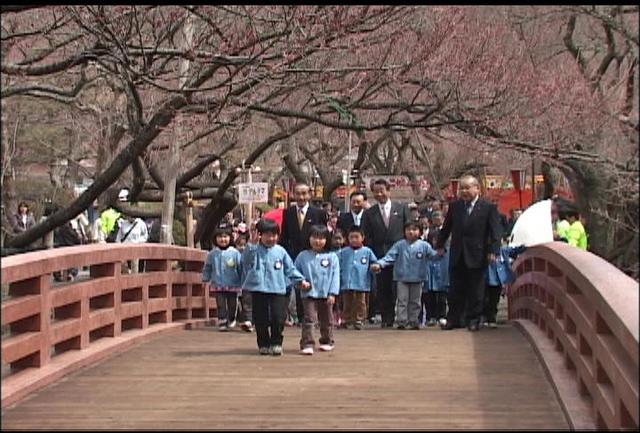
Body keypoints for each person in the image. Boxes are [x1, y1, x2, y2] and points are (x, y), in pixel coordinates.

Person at [436, 174, 502, 332]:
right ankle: (454, 319)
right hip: (457, 252)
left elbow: (495, 232)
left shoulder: (488, 207)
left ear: (477, 188)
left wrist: (493, 251)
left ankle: (474, 319)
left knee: (476, 289)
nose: (464, 191)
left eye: (467, 188)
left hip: (477, 254)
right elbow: (446, 228)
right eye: (461, 188)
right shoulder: (455, 206)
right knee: (454, 289)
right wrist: (440, 244)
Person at [243, 219, 309, 356]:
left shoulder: (280, 251)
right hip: (258, 288)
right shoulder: (254, 249)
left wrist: (300, 280)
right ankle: (263, 343)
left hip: (278, 288)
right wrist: (251, 245)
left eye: (274, 235)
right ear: (260, 235)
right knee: (260, 318)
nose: (271, 238)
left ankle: (276, 342)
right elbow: (245, 262)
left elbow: (290, 268)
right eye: (267, 235)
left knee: (278, 317)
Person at [361, 178, 411, 328]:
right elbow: (366, 235)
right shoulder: (369, 213)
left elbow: (408, 228)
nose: (379, 194)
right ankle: (386, 317)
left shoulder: (401, 209)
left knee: (399, 287)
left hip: (399, 253)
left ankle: (402, 316)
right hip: (379, 254)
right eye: (375, 192)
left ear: (389, 191)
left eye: (382, 190)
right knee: (383, 287)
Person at [371, 221, 438, 330]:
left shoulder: (424, 245)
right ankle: (402, 320)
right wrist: (379, 264)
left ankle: (413, 320)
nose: (411, 232)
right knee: (402, 300)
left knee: (415, 301)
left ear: (420, 232)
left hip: (418, 278)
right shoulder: (399, 245)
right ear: (404, 232)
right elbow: (389, 257)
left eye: (415, 229)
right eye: (408, 230)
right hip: (402, 277)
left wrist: (441, 252)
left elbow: (434, 256)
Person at [279, 182, 328, 326]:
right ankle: (302, 318)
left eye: (304, 193)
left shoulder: (318, 213)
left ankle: (317, 317)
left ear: (309, 194)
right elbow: (285, 236)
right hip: (294, 256)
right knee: (298, 286)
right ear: (293, 194)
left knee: (314, 284)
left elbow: (324, 234)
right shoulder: (288, 212)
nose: (301, 197)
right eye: (298, 193)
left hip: (314, 255)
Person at [294, 225, 340, 355]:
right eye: (314, 237)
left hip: (326, 294)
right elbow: (294, 271)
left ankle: (327, 340)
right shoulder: (303, 256)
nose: (317, 241)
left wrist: (333, 293)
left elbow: (335, 276)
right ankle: (307, 343)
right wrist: (300, 282)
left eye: (321, 238)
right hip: (309, 294)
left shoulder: (332, 256)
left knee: (327, 319)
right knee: (309, 319)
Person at [202, 224, 243, 331]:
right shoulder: (212, 254)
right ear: (215, 239)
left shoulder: (235, 253)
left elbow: (240, 267)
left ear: (230, 238)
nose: (223, 239)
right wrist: (205, 279)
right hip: (218, 284)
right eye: (220, 237)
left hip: (233, 283)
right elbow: (208, 267)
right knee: (220, 304)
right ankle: (222, 321)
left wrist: (243, 280)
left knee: (232, 304)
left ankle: (231, 318)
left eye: (225, 237)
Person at [338, 226, 377, 330]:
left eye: (357, 237)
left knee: (361, 302)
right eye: (351, 237)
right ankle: (346, 319)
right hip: (347, 282)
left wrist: (375, 267)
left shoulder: (367, 251)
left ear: (362, 237)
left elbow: (374, 263)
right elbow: (336, 263)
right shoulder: (343, 252)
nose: (354, 240)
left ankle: (359, 319)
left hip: (362, 282)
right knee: (347, 302)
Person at [483, 243, 526, 328]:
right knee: (485, 299)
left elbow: (513, 251)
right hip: (487, 279)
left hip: (498, 280)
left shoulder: (502, 250)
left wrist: (524, 248)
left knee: (494, 300)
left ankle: (491, 318)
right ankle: (486, 318)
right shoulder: (484, 250)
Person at [423, 210, 449, 327]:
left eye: (439, 216)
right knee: (430, 292)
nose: (436, 219)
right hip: (431, 263)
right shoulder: (429, 232)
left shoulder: (448, 230)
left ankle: (442, 315)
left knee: (442, 292)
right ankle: (431, 316)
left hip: (444, 262)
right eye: (434, 217)